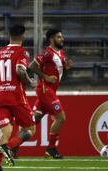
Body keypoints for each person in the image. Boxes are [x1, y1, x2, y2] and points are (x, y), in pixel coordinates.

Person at [0, 25, 36, 171]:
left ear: (9, 36)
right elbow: (19, 69)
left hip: (0, 96)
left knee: (7, 131)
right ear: (23, 37)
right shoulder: (22, 52)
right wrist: (30, 81)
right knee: (30, 128)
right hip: (16, 97)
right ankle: (8, 147)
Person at [29, 28, 73, 158]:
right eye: (59, 37)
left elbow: (58, 69)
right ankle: (51, 149)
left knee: (33, 121)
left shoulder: (61, 53)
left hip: (51, 91)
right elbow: (31, 66)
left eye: (62, 37)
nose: (62, 39)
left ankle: (12, 146)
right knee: (61, 117)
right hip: (45, 90)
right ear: (51, 39)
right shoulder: (47, 53)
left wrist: (66, 67)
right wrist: (45, 77)